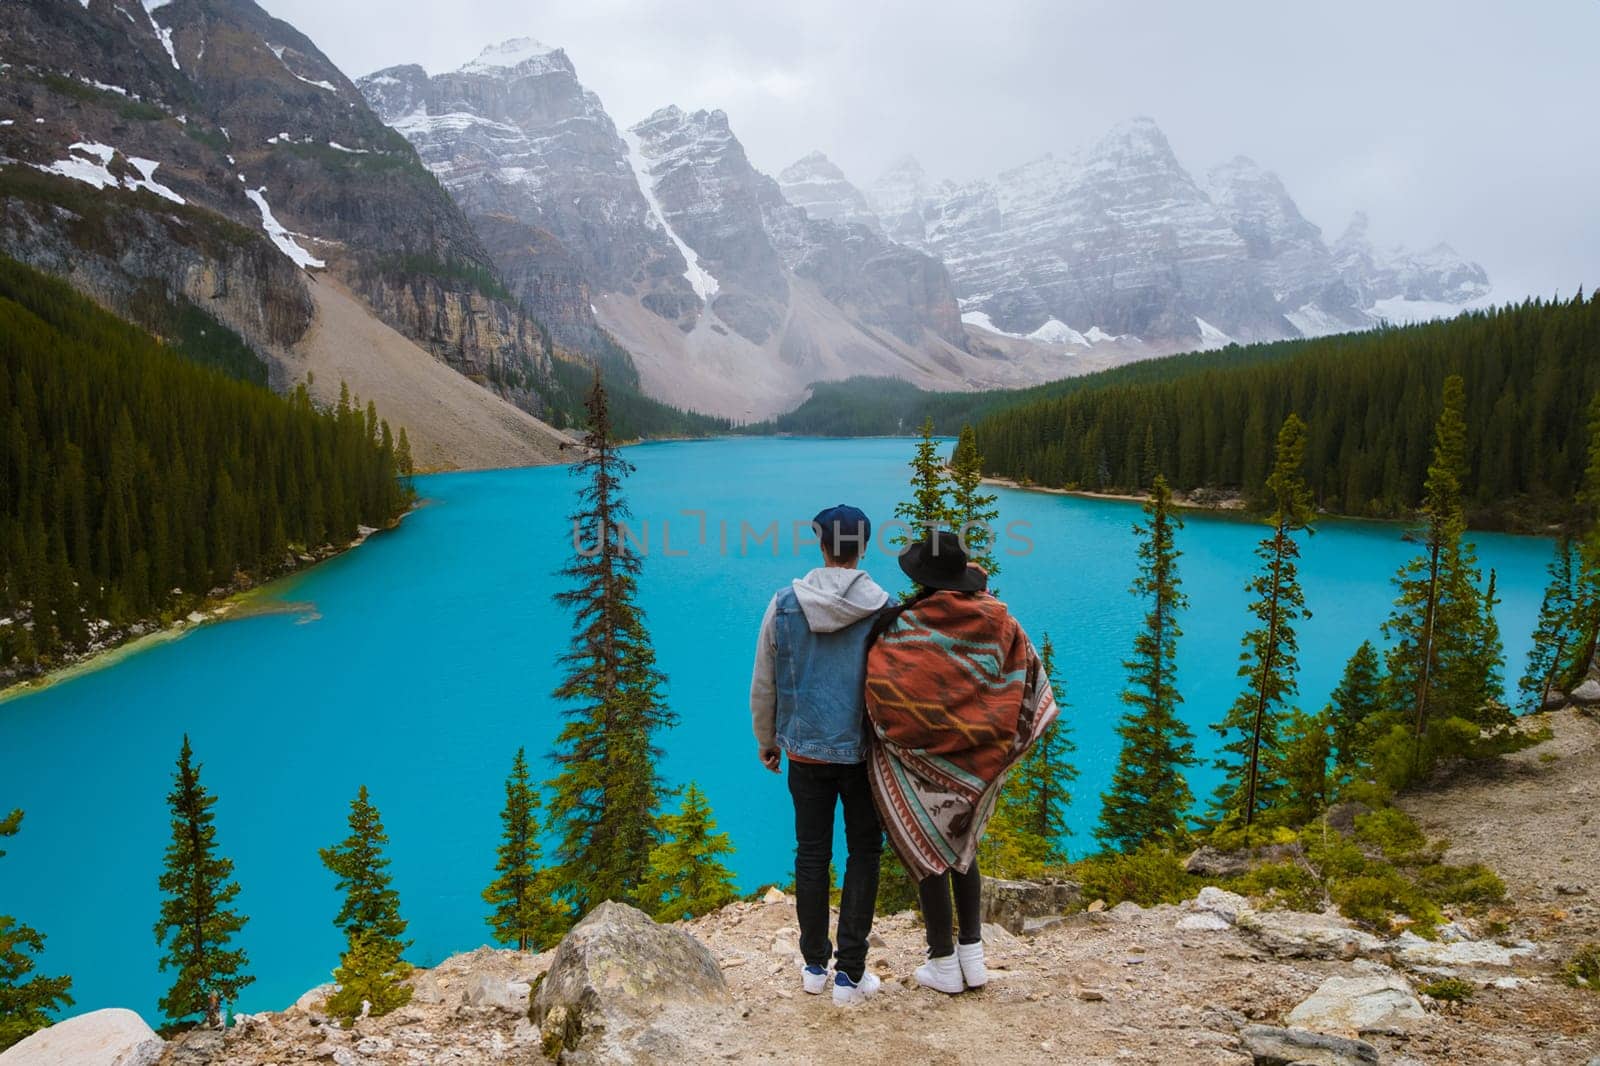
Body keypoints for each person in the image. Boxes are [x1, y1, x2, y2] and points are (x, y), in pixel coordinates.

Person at [864, 529, 1058, 994]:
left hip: (921, 759)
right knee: (964, 846)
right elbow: (1027, 674)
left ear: (922, 578)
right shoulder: (997, 619)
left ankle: (944, 962)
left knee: (932, 850)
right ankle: (973, 955)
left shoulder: (904, 625)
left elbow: (879, 691)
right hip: (978, 756)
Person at [750, 504, 890, 1006]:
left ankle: (813, 966)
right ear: (863, 548)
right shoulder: (884, 608)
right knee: (864, 855)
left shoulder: (785, 603)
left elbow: (765, 680)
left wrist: (768, 739)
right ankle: (850, 975)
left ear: (823, 545)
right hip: (863, 757)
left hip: (804, 757)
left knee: (812, 855)